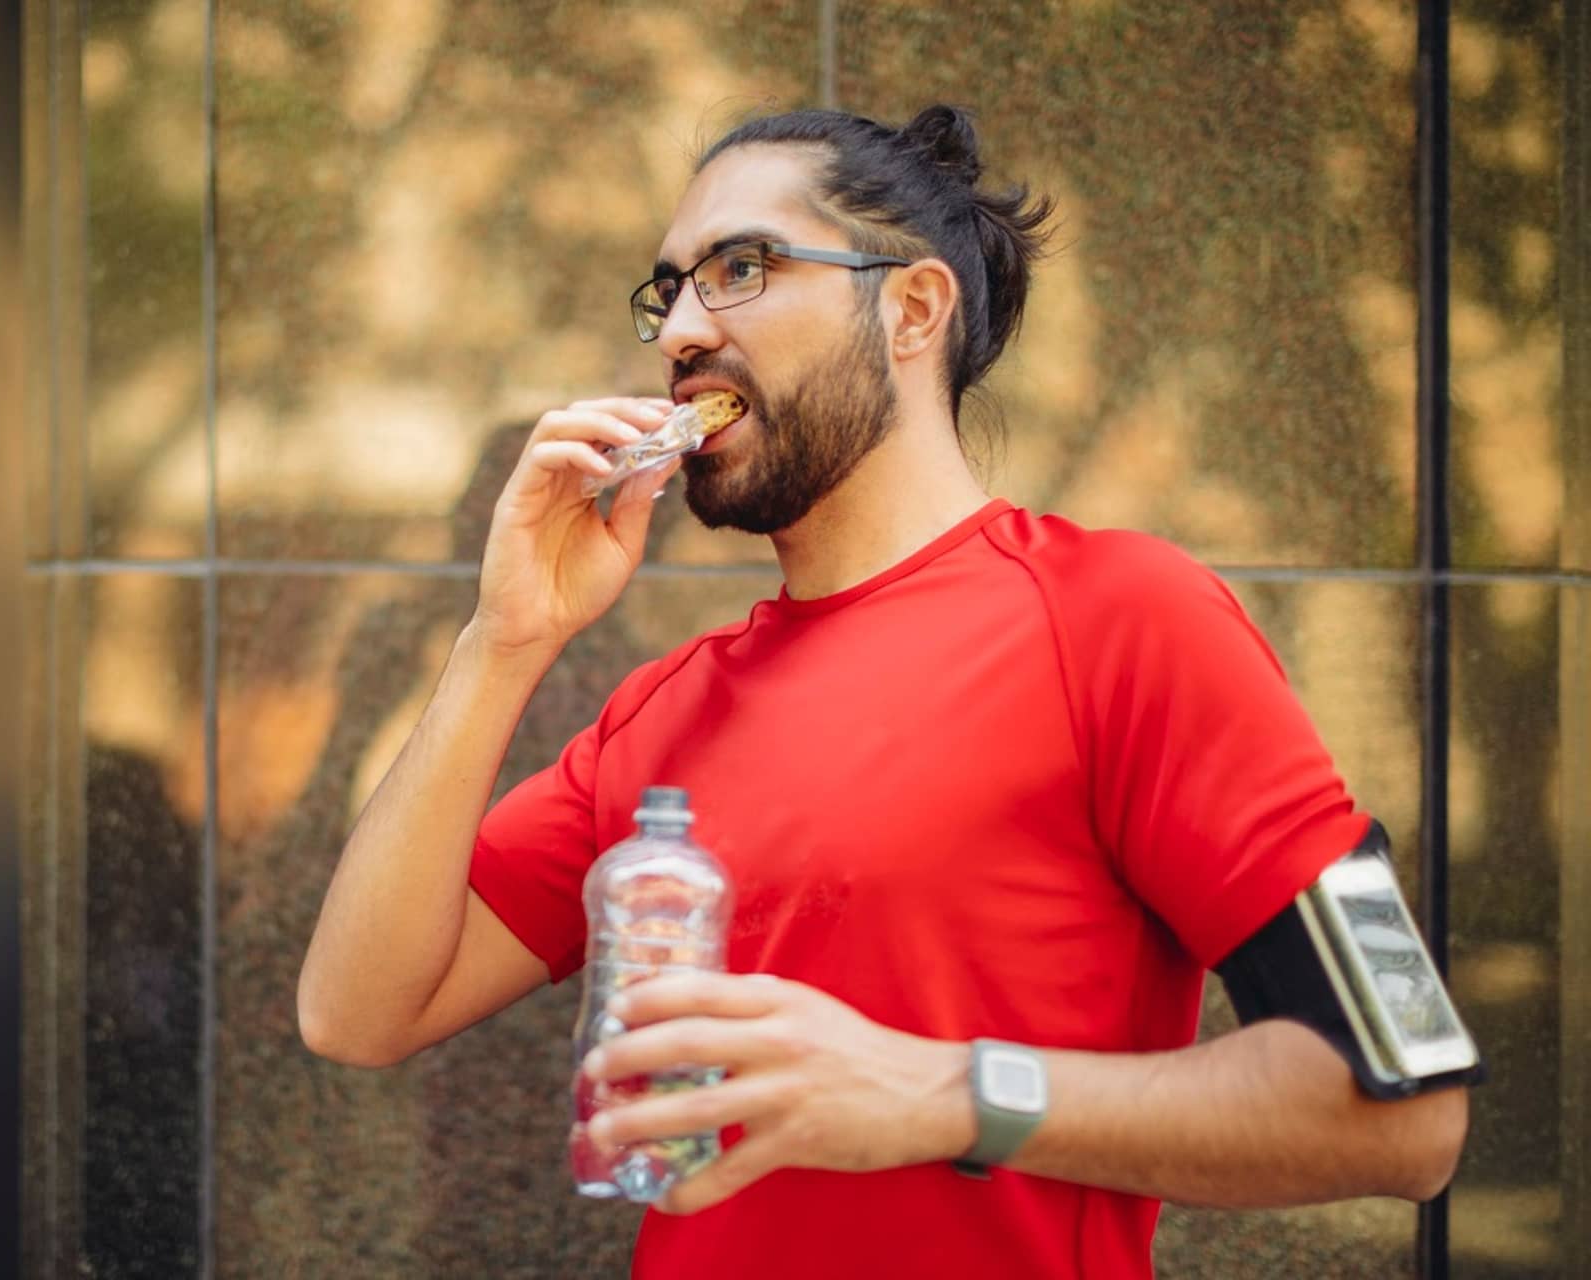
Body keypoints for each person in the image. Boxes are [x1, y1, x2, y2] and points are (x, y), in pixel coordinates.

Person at [298, 104, 1471, 1278]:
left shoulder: (1122, 617)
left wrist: (943, 1091)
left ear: (910, 308)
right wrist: (504, 638)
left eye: (740, 269)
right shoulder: (661, 710)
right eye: (669, 292)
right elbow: (355, 1012)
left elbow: (1406, 1109)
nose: (684, 329)